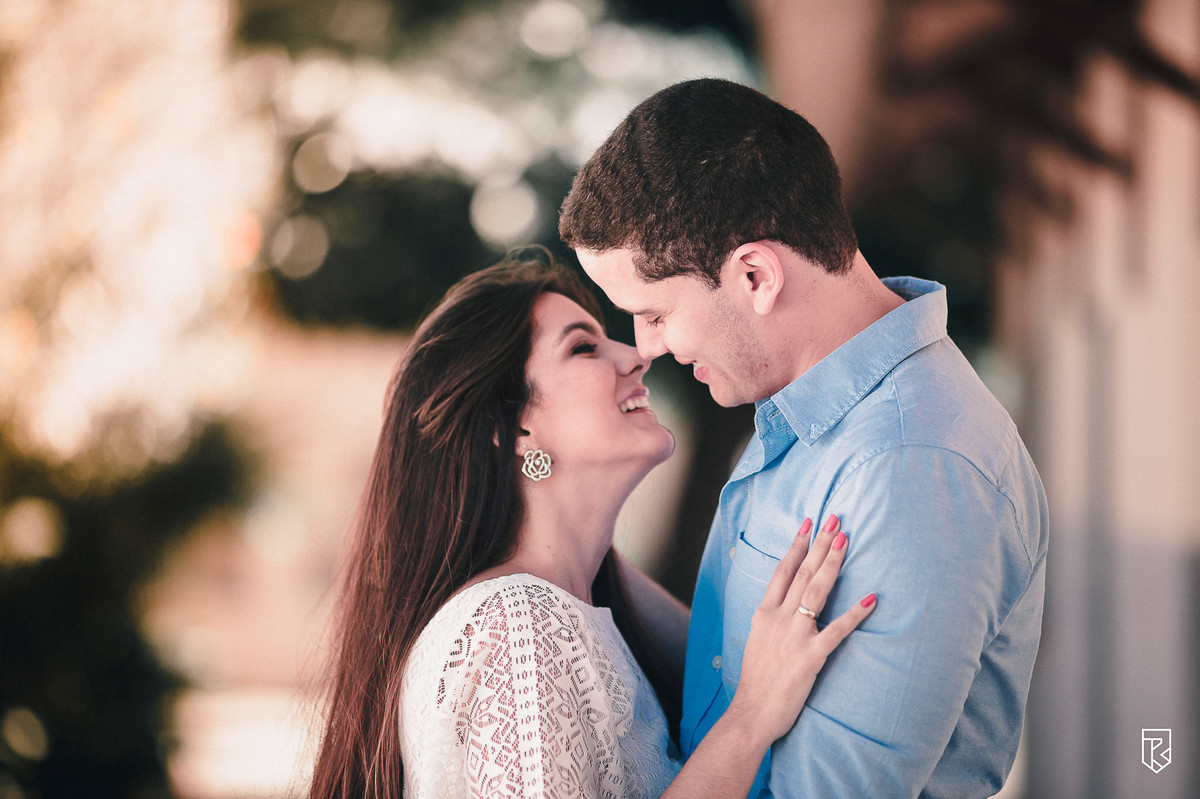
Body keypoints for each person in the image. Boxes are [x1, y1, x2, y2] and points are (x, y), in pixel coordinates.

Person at [560, 78, 1049, 798]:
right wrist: (560, 539)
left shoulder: (912, 470)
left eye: (656, 313)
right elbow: (728, 663)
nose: (646, 346)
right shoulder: (813, 409)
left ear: (755, 274)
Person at [307, 251, 878, 799]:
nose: (635, 356)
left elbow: (714, 663)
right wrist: (751, 718)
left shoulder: (569, 606)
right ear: (516, 429)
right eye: (583, 348)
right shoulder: (518, 630)